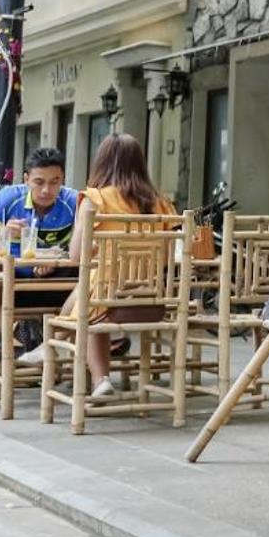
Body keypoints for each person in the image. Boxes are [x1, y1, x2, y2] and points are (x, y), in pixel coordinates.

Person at [65, 134, 178, 403]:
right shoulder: (161, 202)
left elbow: (75, 256)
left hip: (107, 299)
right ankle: (54, 347)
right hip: (152, 299)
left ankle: (99, 378)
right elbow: (168, 257)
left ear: (101, 163)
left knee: (89, 302)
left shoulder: (94, 199)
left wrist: (99, 251)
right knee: (86, 295)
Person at [0, 147, 77, 359]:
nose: (46, 190)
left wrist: (54, 260)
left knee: (93, 267)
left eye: (54, 182)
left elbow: (85, 247)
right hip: (11, 283)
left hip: (56, 281)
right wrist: (3, 233)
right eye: (39, 182)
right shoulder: (9, 198)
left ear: (63, 180)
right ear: (26, 179)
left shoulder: (73, 201)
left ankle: (54, 342)